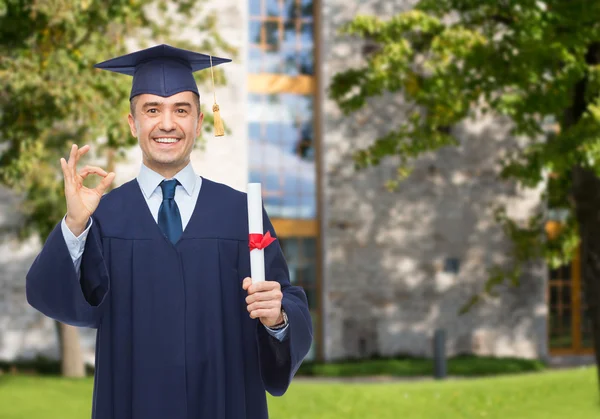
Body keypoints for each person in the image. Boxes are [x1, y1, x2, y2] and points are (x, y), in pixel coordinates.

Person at [25, 44, 313, 419]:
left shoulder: (241, 214)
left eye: (181, 109)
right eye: (152, 110)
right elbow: (56, 298)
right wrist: (75, 223)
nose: (166, 123)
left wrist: (278, 318)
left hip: (224, 403)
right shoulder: (105, 217)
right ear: (132, 123)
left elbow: (282, 297)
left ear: (199, 122)